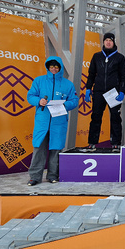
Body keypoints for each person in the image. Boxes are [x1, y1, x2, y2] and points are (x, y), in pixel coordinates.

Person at [26, 56, 78, 186]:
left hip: (59, 121)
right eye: (51, 66)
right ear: (47, 67)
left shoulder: (68, 84)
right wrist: (39, 101)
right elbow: (30, 96)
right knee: (39, 148)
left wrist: (65, 105)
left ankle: (53, 175)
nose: (53, 69)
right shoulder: (39, 81)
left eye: (56, 66)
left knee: (56, 149)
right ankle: (34, 177)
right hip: (42, 121)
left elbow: (74, 100)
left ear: (60, 68)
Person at [84, 32, 125, 152]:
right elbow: (91, 74)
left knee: (115, 117)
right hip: (98, 91)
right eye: (106, 40)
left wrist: (122, 91)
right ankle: (92, 142)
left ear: (114, 42)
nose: (108, 42)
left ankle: (115, 143)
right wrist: (88, 88)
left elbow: (124, 76)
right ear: (103, 42)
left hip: (113, 92)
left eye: (111, 40)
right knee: (96, 117)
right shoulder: (96, 56)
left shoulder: (119, 58)